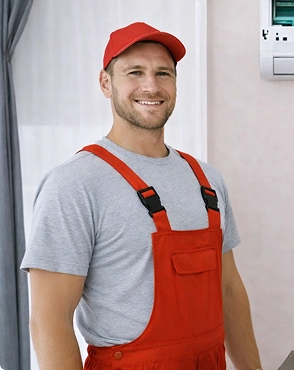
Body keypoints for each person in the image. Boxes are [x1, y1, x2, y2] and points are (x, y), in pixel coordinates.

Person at [21, 22, 262, 370]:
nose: (151, 85)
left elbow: (229, 290)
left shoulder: (207, 180)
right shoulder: (74, 184)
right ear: (106, 83)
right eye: (135, 72)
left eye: (163, 73)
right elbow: (49, 321)